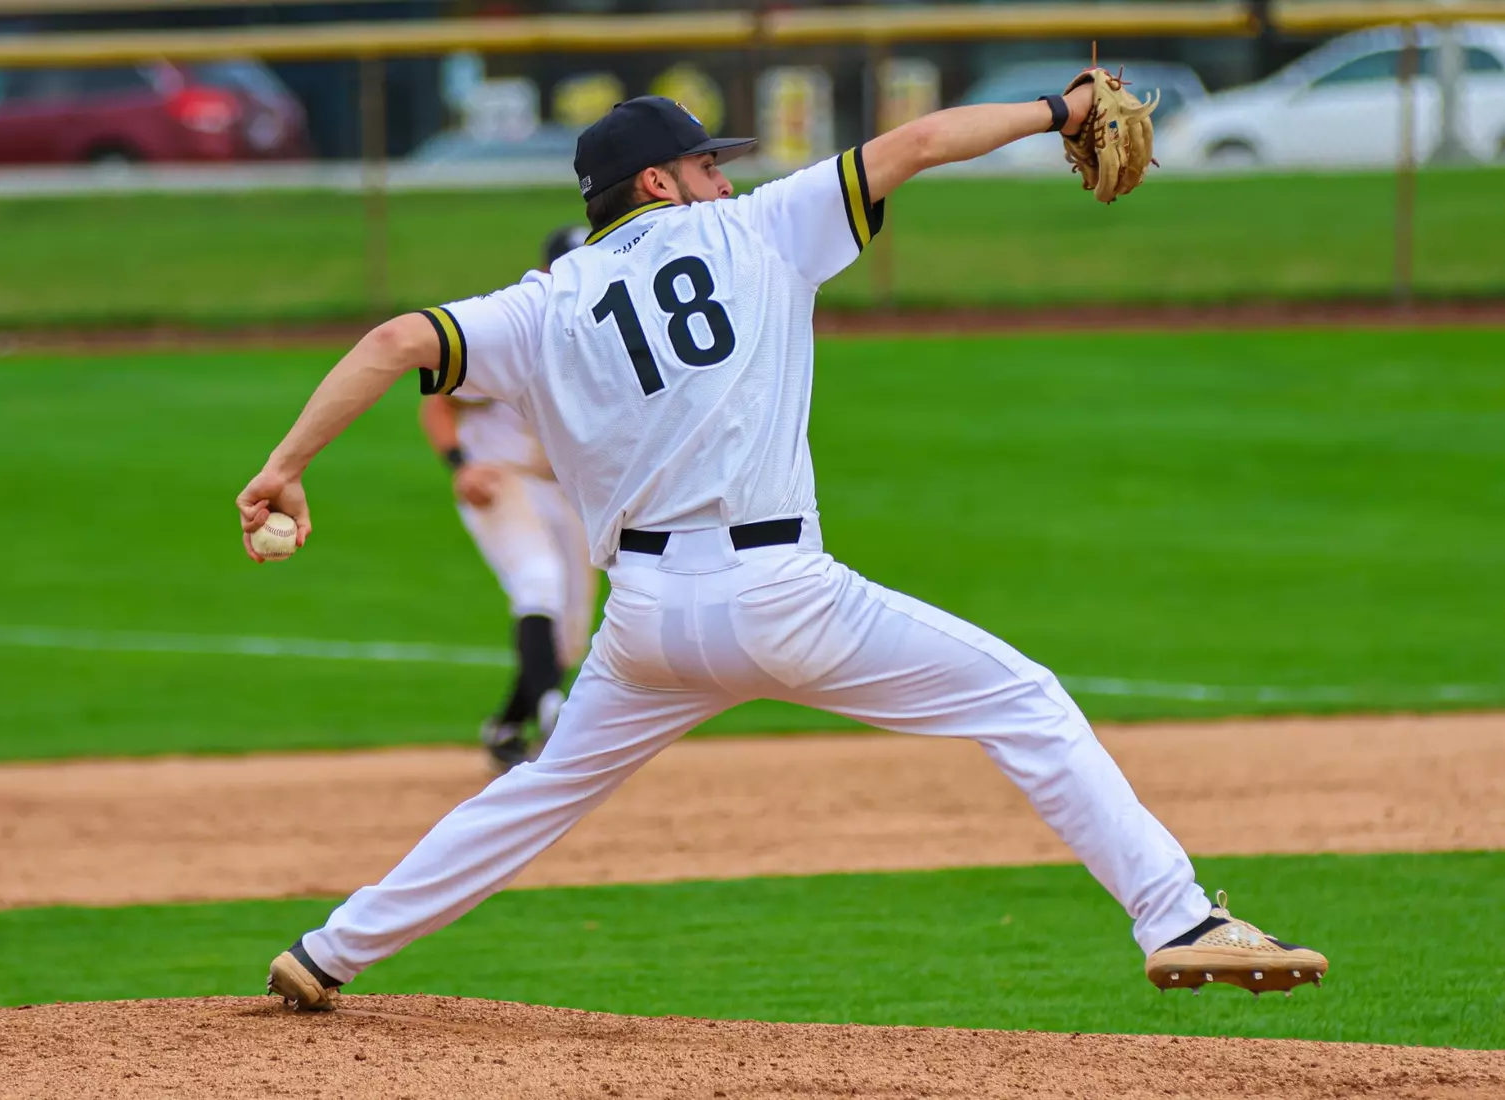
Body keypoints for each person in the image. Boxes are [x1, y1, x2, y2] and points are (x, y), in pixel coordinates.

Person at [239, 90, 1328, 1011]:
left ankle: (332, 949)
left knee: (534, 792)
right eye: (704, 165)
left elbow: (391, 342)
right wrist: (1058, 110)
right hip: (783, 596)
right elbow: (914, 144)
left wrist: (285, 463)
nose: (722, 177)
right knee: (1024, 697)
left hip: (650, 625)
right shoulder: (761, 228)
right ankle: (1177, 912)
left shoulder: (542, 302)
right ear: (656, 184)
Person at [416, 226, 599, 774]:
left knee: (568, 640)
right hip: (498, 480)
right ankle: (552, 713)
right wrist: (460, 464)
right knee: (537, 581)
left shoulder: (601, 332)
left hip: (562, 488)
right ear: (548, 272)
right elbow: (438, 402)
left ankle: (506, 727)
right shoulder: (514, 328)